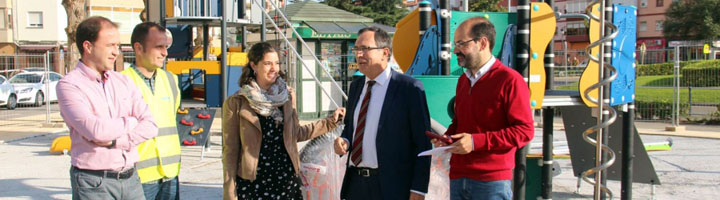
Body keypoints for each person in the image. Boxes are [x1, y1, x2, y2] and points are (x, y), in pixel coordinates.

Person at [222, 42, 346, 200]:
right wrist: (230, 192)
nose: (274, 68)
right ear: (253, 65)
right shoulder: (236, 102)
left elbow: (296, 133)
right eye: (267, 63)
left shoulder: (286, 98)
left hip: (286, 181)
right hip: (254, 183)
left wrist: (330, 122)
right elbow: (230, 151)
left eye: (277, 63)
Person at [432, 17, 534, 200]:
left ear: (483, 43)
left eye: (461, 44)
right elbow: (460, 122)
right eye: (455, 44)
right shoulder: (463, 81)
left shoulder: (510, 80)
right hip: (457, 177)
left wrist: (475, 142)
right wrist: (446, 138)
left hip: (490, 181)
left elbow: (524, 131)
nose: (455, 50)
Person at [57, 16, 158, 200]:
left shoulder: (123, 82)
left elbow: (150, 125)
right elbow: (96, 131)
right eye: (110, 45)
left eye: (117, 46)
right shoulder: (69, 86)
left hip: (131, 179)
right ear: (88, 47)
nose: (116, 52)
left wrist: (115, 141)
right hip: (94, 183)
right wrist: (131, 121)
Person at [333, 27, 432, 200]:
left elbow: (422, 143)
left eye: (365, 48)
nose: (359, 54)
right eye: (356, 49)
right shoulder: (356, 87)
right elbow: (351, 127)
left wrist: (419, 189)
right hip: (356, 185)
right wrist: (345, 140)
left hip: (392, 187)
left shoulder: (409, 89)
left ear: (384, 52)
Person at [121, 22, 181, 200]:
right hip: (138, 175)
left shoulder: (171, 80)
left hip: (170, 173)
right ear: (138, 48)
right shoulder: (122, 82)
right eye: (159, 47)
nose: (165, 53)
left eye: (166, 47)